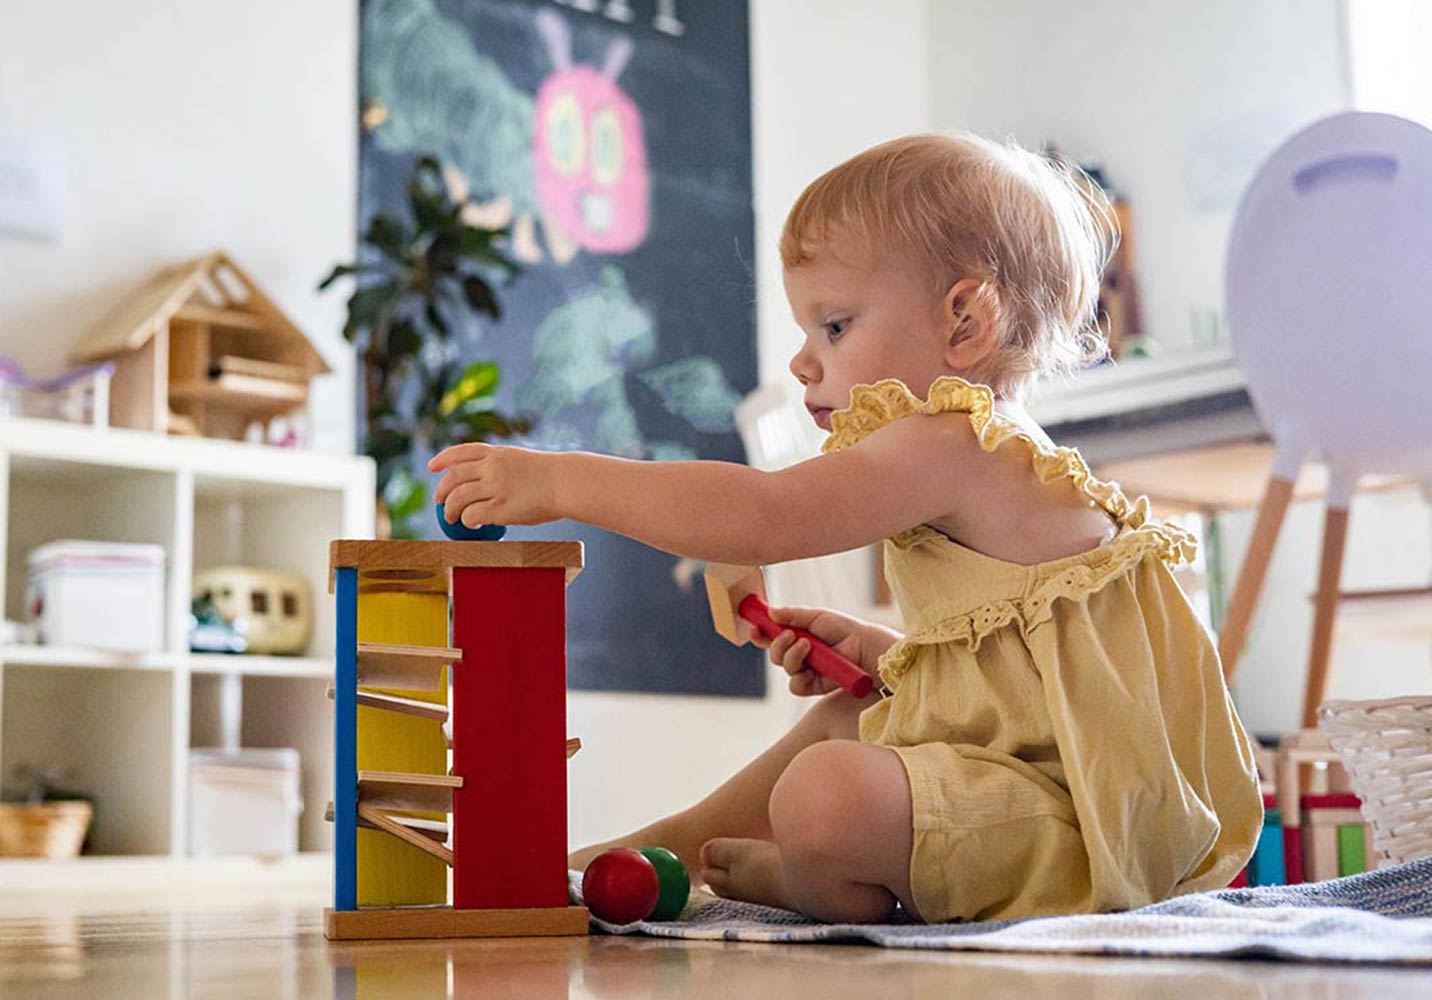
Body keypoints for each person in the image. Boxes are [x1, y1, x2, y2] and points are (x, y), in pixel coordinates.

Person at [428, 132, 1263, 924]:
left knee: (825, 792)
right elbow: (1027, 682)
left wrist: (564, 476)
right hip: (1022, 785)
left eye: (833, 326)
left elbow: (764, 515)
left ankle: (804, 876)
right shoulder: (971, 455)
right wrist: (884, 653)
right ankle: (654, 852)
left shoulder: (953, 440)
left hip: (1078, 833)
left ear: (963, 322)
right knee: (846, 715)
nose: (803, 360)